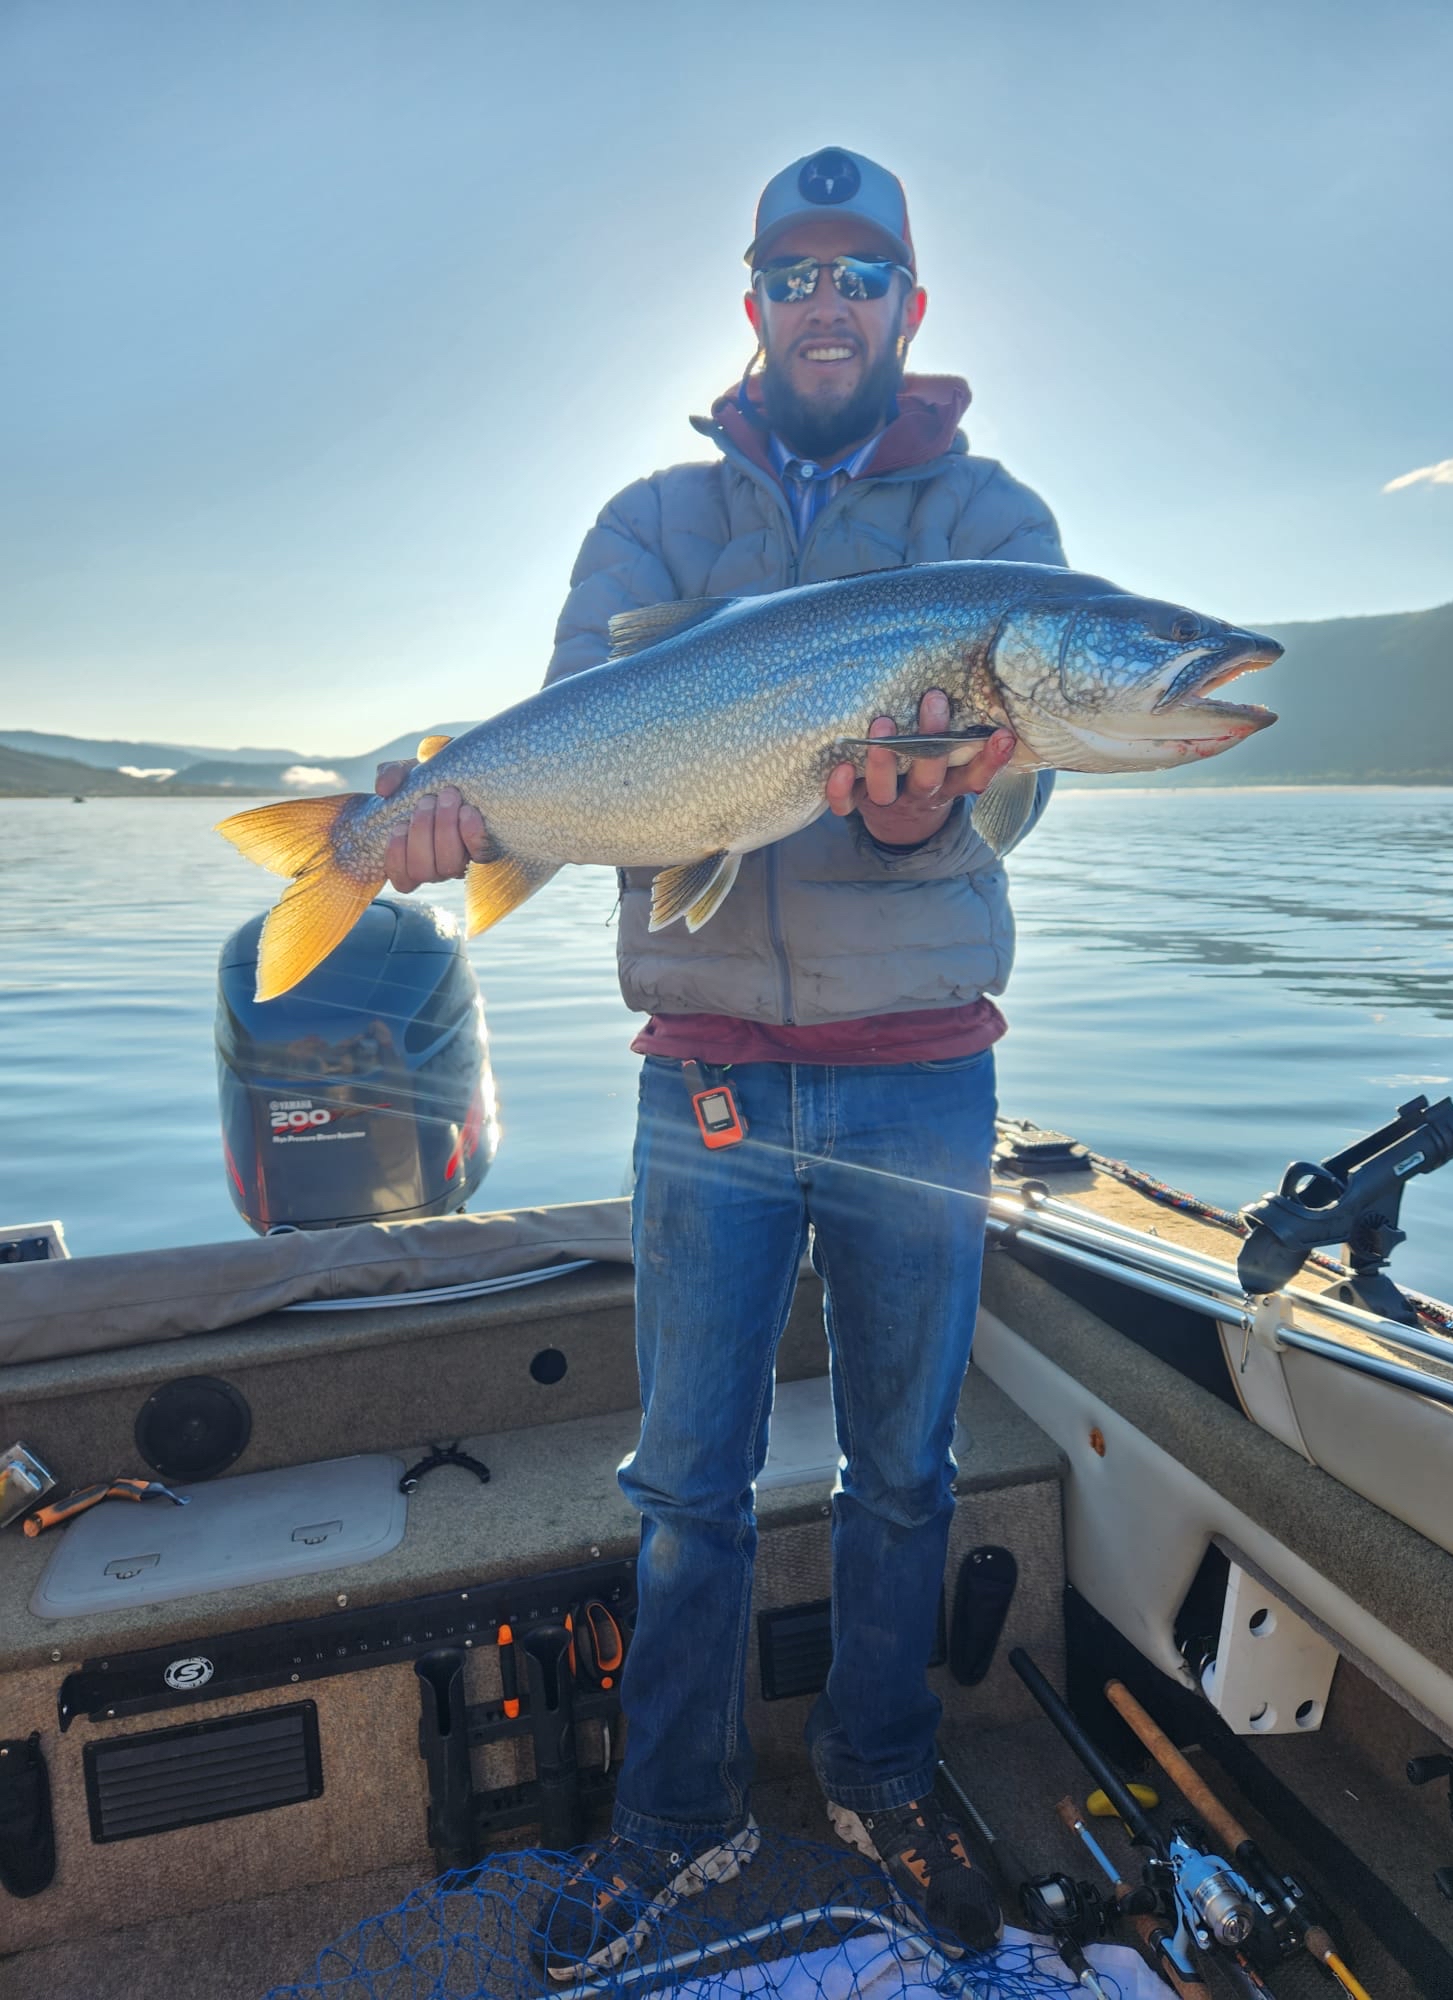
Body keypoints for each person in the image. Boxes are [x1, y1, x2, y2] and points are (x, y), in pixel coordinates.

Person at [379, 147, 1065, 1974]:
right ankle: (674, 1821)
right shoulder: (652, 523)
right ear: (750, 304)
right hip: (707, 1083)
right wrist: (468, 825)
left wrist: (927, 819)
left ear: (909, 308)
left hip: (924, 1076)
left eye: (861, 275)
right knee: (685, 1487)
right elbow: (565, 751)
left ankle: (883, 1770)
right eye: (793, 273)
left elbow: (1034, 787)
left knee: (905, 1473)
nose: (825, 303)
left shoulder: (992, 525)